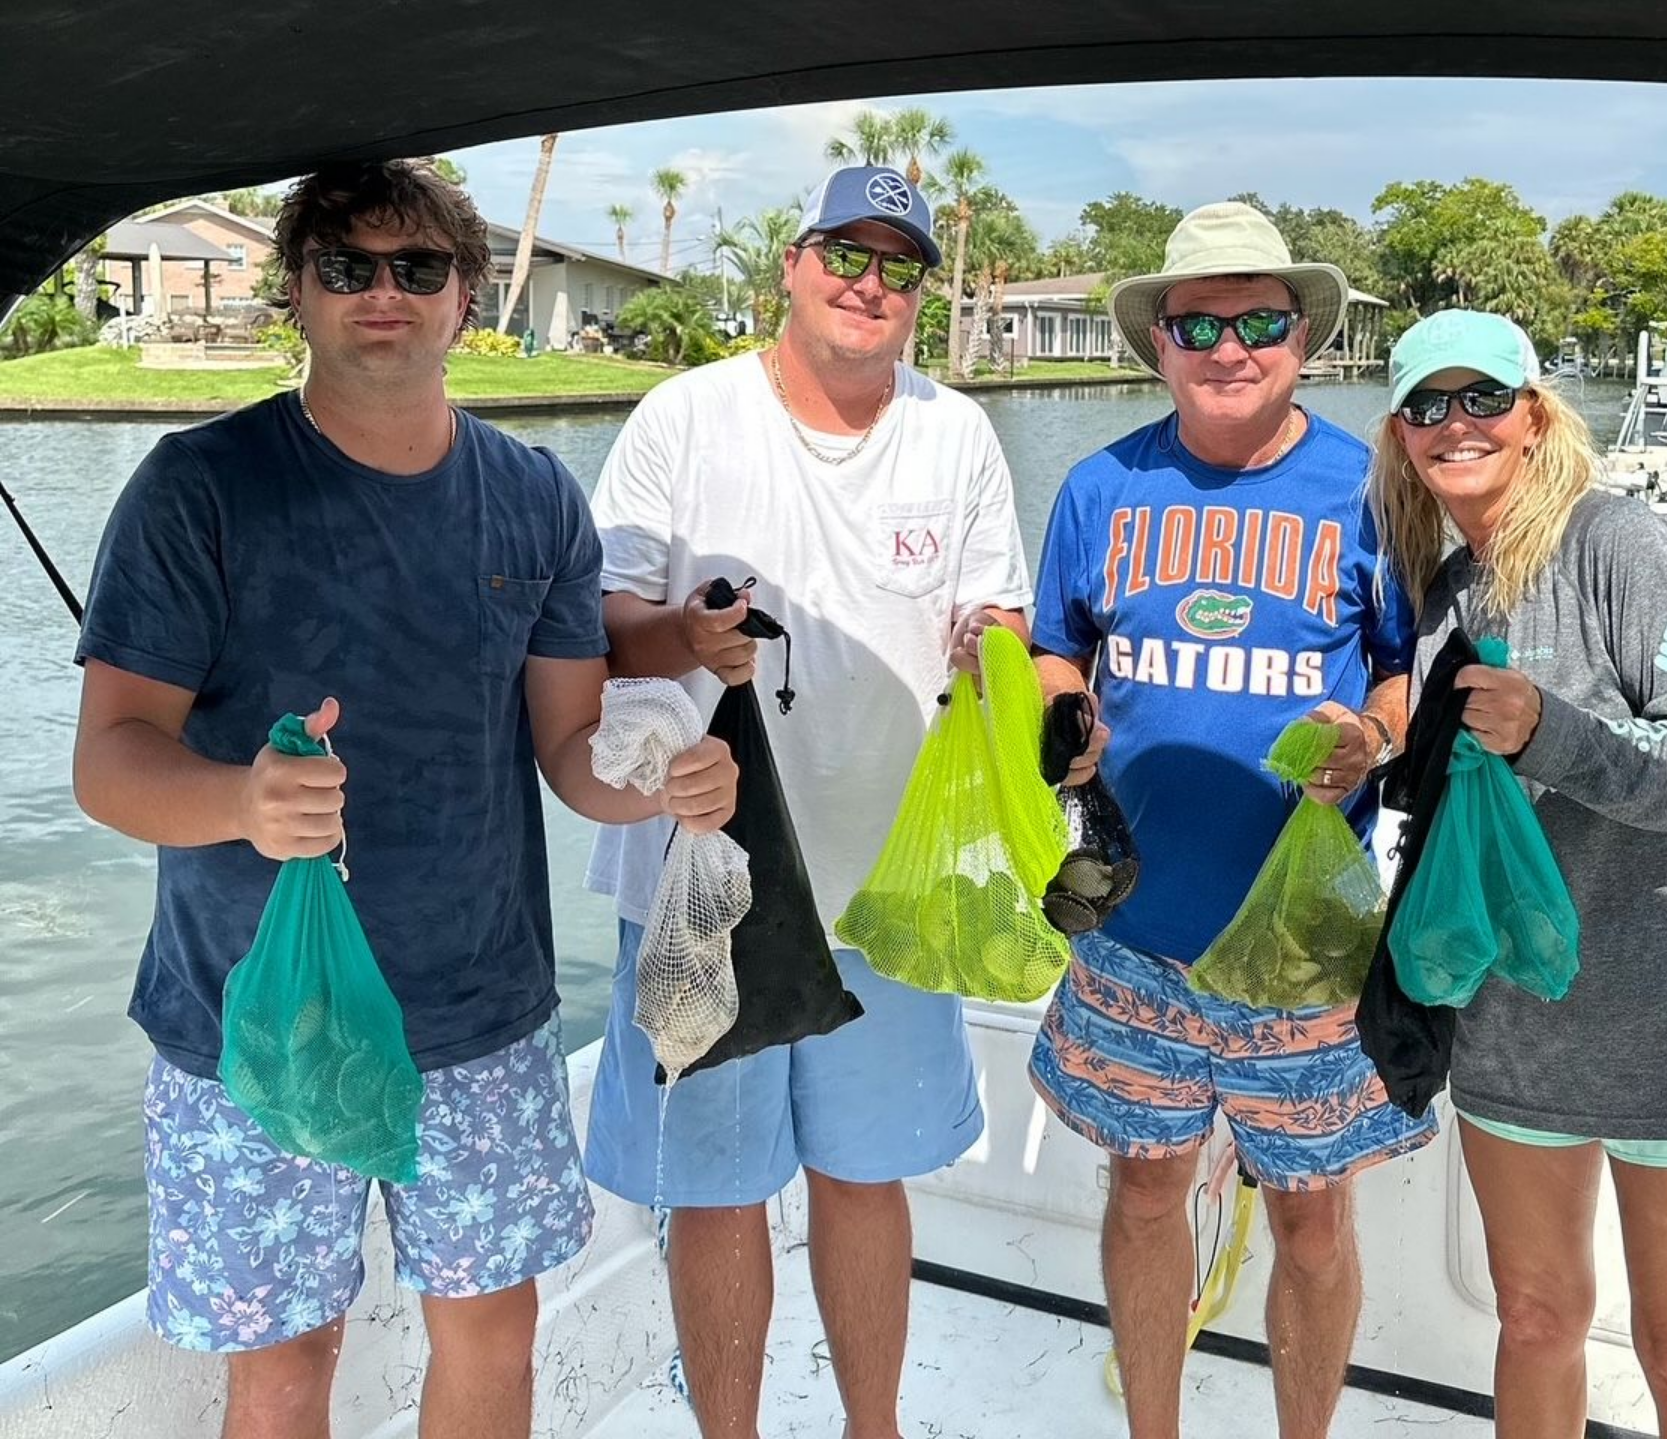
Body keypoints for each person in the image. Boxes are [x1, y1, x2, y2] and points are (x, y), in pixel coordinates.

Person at [71, 159, 738, 1439]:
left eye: (418, 267)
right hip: (253, 1026)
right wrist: (243, 801)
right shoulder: (194, 488)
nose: (385, 291)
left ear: (467, 296)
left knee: (492, 1328)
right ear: (299, 294)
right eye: (346, 267)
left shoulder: (537, 496)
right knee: (285, 1361)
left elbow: (574, 754)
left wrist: (663, 776)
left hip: (480, 1014)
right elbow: (111, 760)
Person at [584, 162, 1032, 1439]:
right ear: (792, 262)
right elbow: (602, 626)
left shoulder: (957, 432)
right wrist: (690, 632)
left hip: (894, 887)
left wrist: (995, 651)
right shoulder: (684, 416)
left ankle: (870, 1427)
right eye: (847, 252)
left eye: (900, 266)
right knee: (719, 1190)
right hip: (699, 873)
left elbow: (995, 616)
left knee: (866, 1172)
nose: (869, 284)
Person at [1026, 201, 1435, 1439]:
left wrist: (1373, 738)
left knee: (1312, 1215)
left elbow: (1410, 675)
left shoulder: (1372, 489)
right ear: (1158, 340)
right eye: (1198, 321)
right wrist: (1065, 719)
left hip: (1308, 943)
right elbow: (1058, 648)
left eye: (1260, 319)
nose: (1229, 345)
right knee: (1145, 1190)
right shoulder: (1102, 487)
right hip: (1135, 919)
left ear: (1303, 332)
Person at [1368, 308, 1667, 1439]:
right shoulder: (1444, 590)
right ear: (1401, 435)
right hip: (1516, 1023)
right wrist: (1372, 757)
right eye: (1427, 405)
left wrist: (1553, 729)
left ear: (1535, 414)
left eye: (1482, 399)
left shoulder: (1619, 544)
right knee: (1536, 1318)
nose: (1456, 425)